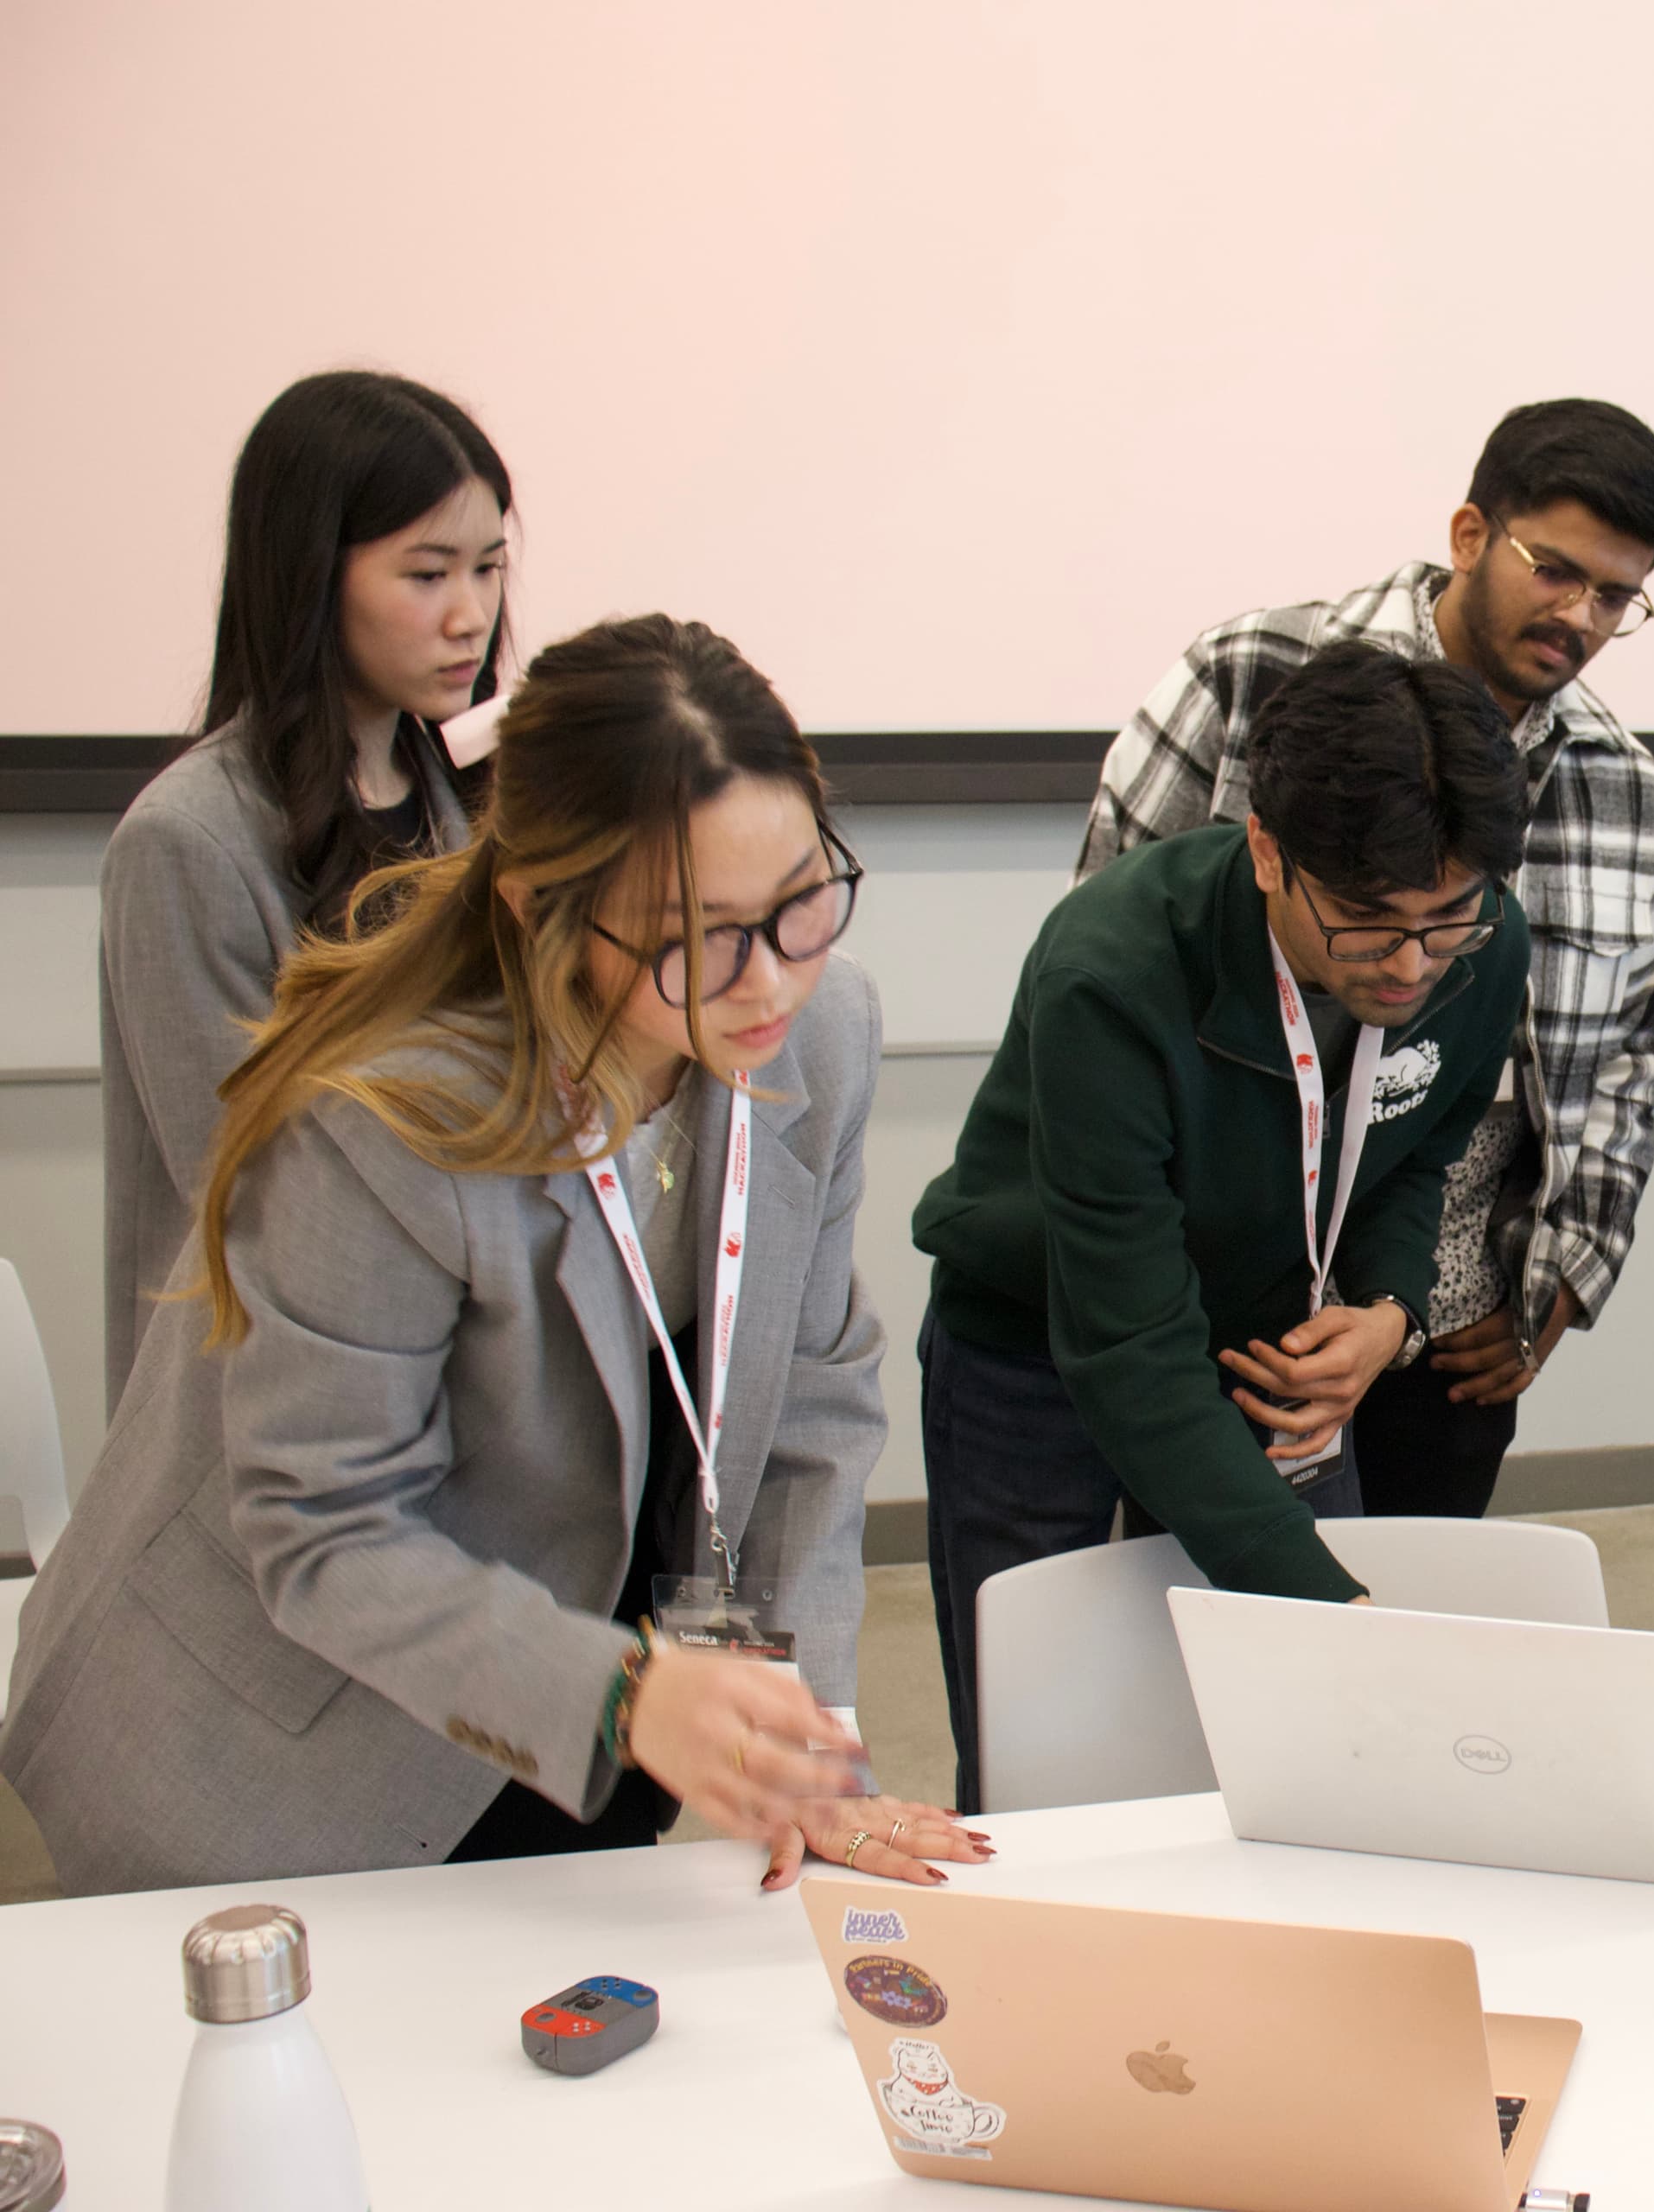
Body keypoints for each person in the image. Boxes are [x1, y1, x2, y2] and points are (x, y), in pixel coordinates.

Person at [3, 614, 977, 1896]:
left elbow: (811, 1397)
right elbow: (329, 1529)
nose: (773, 982)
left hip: (585, 1689)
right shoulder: (385, 1122)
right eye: (705, 936)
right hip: (279, 1751)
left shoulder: (822, 1030)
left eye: (805, 903)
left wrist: (819, 1736)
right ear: (540, 911)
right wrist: (630, 1692)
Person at [915, 645, 1533, 1808]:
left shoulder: (1483, 946)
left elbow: (1423, 1147)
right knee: (1040, 1743)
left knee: (1296, 1750)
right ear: (1265, 850)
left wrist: (1385, 1312)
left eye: (1445, 918)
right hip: (1044, 1345)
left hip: (1266, 1344)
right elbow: (1127, 1346)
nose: (1409, 967)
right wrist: (1333, 1611)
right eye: (1365, 923)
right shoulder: (1115, 969)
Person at [1077, 398, 1654, 1519]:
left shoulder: (1627, 791)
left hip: (1450, 1318)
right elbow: (1099, 953)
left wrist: (1558, 1287)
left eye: (1615, 595)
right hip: (1223, 1302)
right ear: (1469, 535)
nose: (1581, 616)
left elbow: (1627, 1069)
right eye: (1556, 570)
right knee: (1181, 1643)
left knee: (1400, 1663)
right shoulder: (1251, 676)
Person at [101, 370, 513, 1411]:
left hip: (447, 1373)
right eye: (427, 575)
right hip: (264, 1405)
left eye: (489, 568)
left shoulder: (470, 803)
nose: (471, 615)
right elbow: (245, 1184)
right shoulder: (186, 839)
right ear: (309, 578)